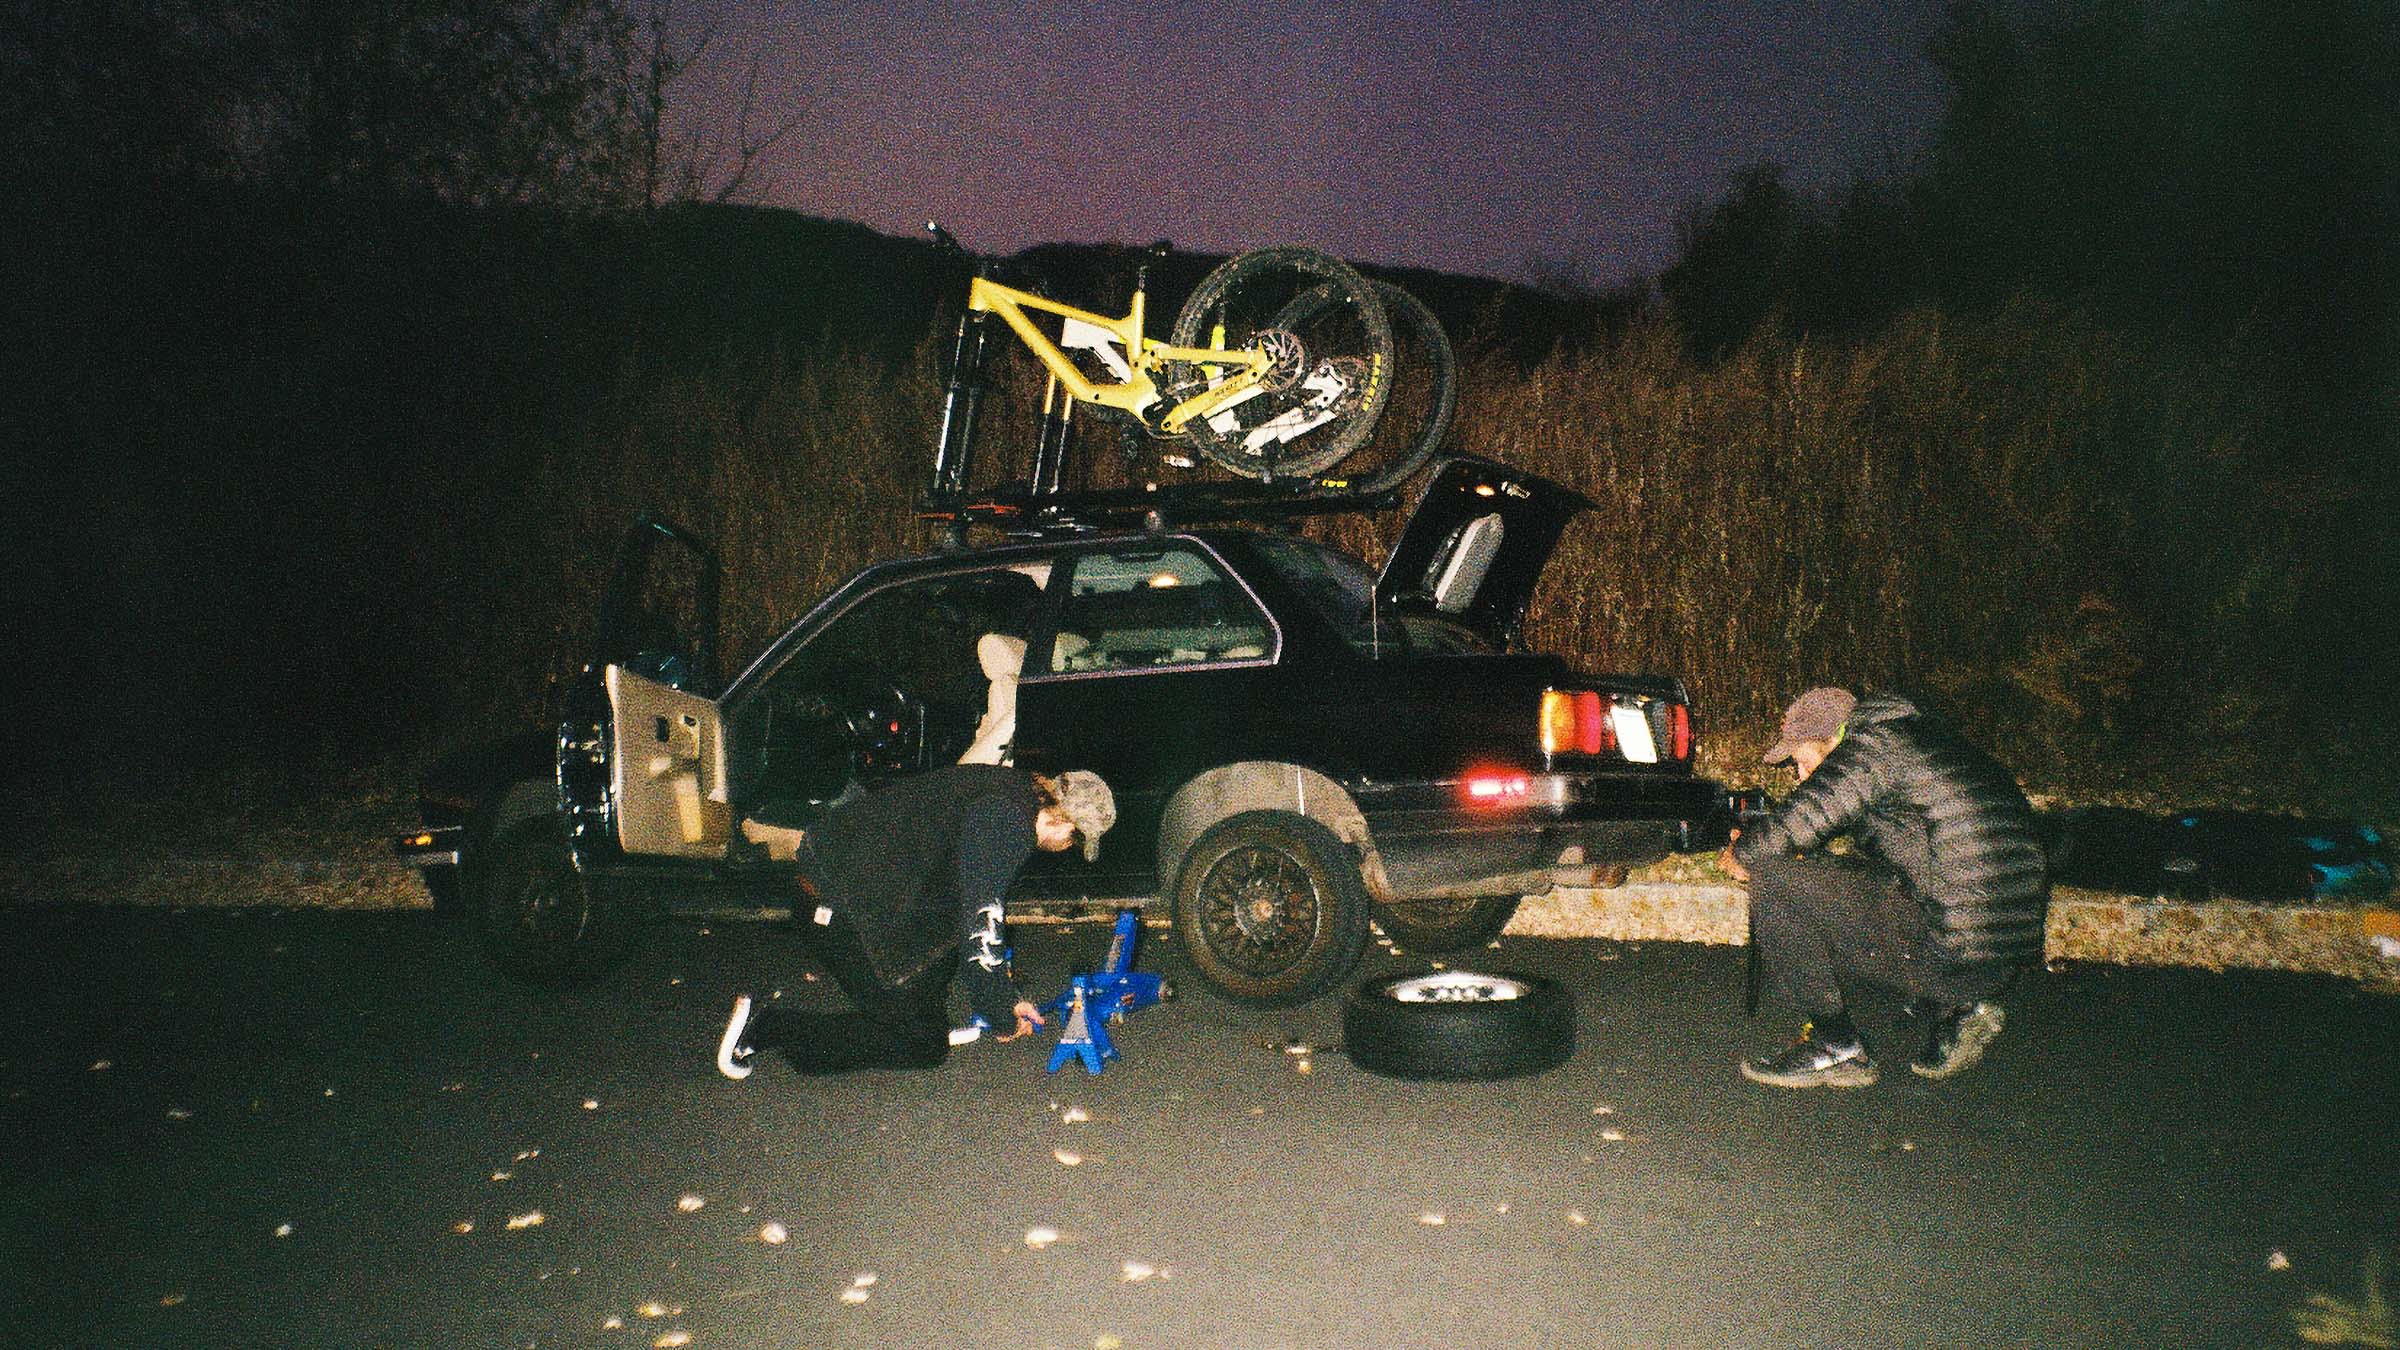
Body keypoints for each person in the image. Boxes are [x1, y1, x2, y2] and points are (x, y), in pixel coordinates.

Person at [1721, 688, 2048, 1088]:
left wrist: (1742, 855)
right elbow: (1916, 859)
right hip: (1999, 955)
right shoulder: (1925, 742)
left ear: (1834, 741)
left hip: (1950, 953)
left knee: (1772, 876)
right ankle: (1958, 1007)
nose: (1801, 776)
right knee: (1830, 881)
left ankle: (1835, 1045)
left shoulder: (1875, 746)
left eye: (1802, 761)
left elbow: (1805, 817)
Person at [715, 764, 1116, 1079]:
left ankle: (915, 1014)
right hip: (836, 907)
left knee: (932, 974)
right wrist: (999, 1009)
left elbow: (964, 905)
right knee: (919, 1044)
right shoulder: (1006, 823)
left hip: (868, 892)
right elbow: (982, 921)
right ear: (1065, 820)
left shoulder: (1011, 790)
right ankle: (768, 1028)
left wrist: (1002, 995)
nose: (1066, 849)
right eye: (1075, 841)